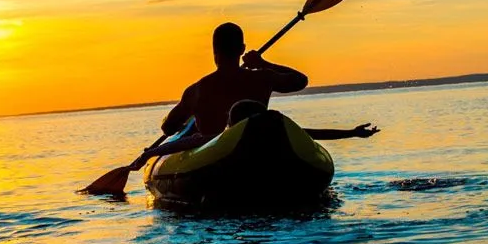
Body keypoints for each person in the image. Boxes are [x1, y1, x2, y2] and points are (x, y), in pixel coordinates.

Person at [160, 22, 309, 138]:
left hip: (214, 158)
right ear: (242, 49)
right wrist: (263, 64)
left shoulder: (196, 91)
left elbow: (168, 127)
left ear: (214, 50)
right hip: (254, 146)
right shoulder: (262, 78)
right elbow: (300, 80)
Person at [131, 99, 379, 168]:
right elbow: (313, 133)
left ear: (231, 124)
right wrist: (352, 133)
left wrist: (147, 155)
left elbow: (177, 145)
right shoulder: (274, 135)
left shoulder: (219, 139)